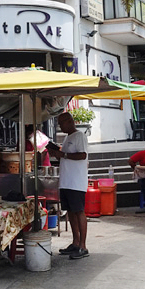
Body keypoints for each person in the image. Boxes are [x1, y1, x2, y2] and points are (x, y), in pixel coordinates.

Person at [47, 111, 89, 259]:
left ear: (69, 121)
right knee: (70, 212)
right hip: (66, 181)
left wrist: (63, 155)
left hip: (76, 182)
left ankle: (83, 246)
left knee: (79, 211)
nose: (59, 126)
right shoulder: (68, 138)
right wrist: (58, 154)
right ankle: (75, 242)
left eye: (61, 123)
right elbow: (66, 158)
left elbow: (82, 155)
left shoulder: (80, 136)